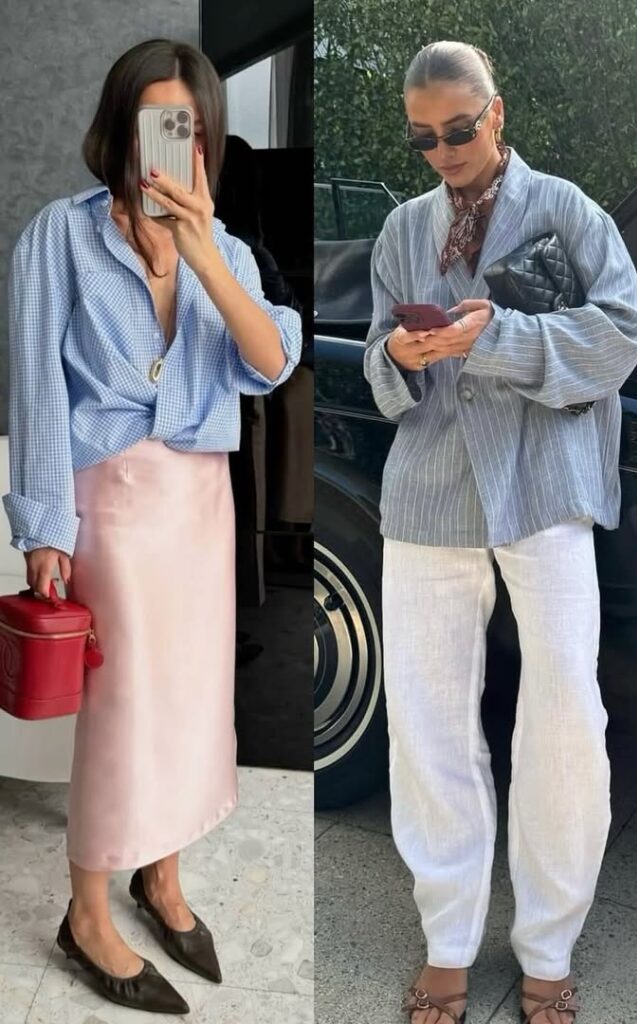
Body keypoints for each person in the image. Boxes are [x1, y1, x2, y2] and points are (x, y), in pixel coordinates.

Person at [4, 39, 301, 1014]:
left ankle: (159, 875)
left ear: (206, 138)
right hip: (113, 511)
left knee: (188, 700)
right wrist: (42, 523)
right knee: (124, 713)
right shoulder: (60, 235)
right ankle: (86, 909)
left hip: (198, 504)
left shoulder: (235, 253)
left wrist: (207, 247)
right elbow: (38, 389)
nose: (165, 145)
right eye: (151, 122)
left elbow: (269, 362)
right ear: (120, 126)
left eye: (187, 126)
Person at [363, 40, 637, 1024]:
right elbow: (377, 367)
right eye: (422, 135)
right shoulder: (404, 228)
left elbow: (622, 332)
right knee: (428, 720)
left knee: (567, 717)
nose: (442, 149)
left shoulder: (566, 212)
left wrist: (502, 338)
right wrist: (399, 351)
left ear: (495, 112)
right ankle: (446, 939)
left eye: (457, 127)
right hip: (432, 488)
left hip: (544, 483)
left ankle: (548, 943)